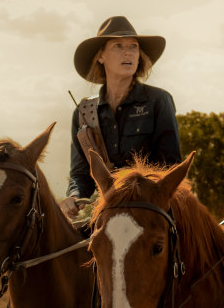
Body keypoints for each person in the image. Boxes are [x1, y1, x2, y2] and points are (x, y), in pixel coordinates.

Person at [61, 16, 182, 218]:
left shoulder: (158, 100)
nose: (128, 52)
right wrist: (73, 196)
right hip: (106, 213)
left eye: (134, 47)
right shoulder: (83, 112)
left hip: (153, 212)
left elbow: (170, 167)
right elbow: (80, 174)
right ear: (101, 56)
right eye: (118, 45)